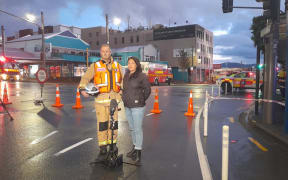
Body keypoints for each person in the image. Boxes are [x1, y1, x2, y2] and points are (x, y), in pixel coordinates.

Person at [78, 44, 123, 160]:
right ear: (100, 53)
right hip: (100, 100)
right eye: (103, 51)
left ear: (110, 52)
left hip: (114, 100)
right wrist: (82, 89)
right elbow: (85, 78)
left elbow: (123, 82)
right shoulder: (96, 65)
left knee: (114, 124)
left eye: (107, 51)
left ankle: (112, 144)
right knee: (102, 124)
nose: (105, 53)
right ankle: (103, 146)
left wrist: (121, 94)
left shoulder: (118, 66)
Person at [122, 57, 151, 165]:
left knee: (137, 129)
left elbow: (148, 90)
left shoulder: (142, 76)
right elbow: (125, 89)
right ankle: (134, 147)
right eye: (128, 63)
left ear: (137, 64)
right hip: (127, 106)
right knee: (132, 128)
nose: (130, 65)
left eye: (132, 63)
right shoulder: (126, 76)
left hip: (138, 107)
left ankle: (138, 152)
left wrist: (141, 99)